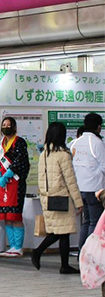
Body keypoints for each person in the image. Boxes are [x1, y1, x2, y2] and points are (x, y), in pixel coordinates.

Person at [31, 122, 83, 274]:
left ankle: (64, 265)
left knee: (62, 232)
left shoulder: (43, 154)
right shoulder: (63, 155)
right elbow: (70, 180)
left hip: (47, 198)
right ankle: (39, 251)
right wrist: (78, 202)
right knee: (60, 232)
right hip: (61, 198)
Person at [0, 116, 31, 257]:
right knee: (6, 215)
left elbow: (21, 160)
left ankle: (18, 247)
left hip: (15, 183)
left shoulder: (19, 142)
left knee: (15, 215)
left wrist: (9, 173)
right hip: (4, 185)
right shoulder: (1, 144)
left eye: (9, 125)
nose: (6, 127)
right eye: (4, 124)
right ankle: (11, 245)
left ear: (14, 127)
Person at [72, 112, 105, 249]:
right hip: (94, 189)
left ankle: (81, 254)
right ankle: (90, 254)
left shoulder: (74, 143)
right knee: (95, 223)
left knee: (86, 222)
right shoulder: (97, 143)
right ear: (99, 127)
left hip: (79, 189)